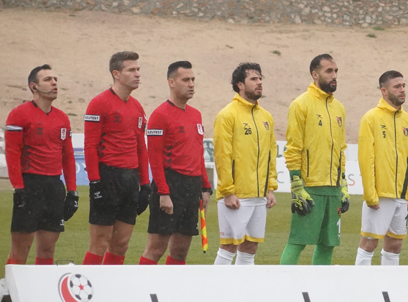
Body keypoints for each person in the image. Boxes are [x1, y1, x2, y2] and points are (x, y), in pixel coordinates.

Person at [4, 65, 78, 265]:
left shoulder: (62, 118)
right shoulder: (19, 114)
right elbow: (12, 153)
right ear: (33, 86)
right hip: (30, 185)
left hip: (54, 187)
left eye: (55, 79)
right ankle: (11, 294)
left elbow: (68, 156)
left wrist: (72, 191)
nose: (54, 83)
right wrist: (18, 187)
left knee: (47, 249)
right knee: (20, 250)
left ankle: (40, 294)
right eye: (48, 80)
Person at [139, 61, 211, 266]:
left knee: (181, 250)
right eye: (185, 80)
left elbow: (198, 154)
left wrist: (205, 187)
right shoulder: (159, 115)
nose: (191, 84)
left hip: (192, 185)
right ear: (171, 82)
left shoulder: (195, 114)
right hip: (170, 184)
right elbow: (154, 158)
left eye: (193, 80)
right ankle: (143, 289)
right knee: (156, 247)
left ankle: (170, 293)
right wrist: (163, 192)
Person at [82, 51, 150, 266]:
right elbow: (90, 145)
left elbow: (141, 148)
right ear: (116, 74)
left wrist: (145, 184)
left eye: (138, 69)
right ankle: (87, 293)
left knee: (121, 243)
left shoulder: (137, 107)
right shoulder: (99, 103)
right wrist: (95, 182)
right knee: (100, 242)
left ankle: (111, 292)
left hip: (130, 180)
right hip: (107, 176)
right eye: (131, 70)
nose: (137, 74)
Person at [280, 55, 349, 266]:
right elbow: (293, 148)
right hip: (310, 187)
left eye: (336, 71)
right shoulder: (300, 104)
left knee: (328, 244)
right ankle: (281, 289)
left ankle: (320, 291)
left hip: (334, 188)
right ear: (315, 74)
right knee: (298, 242)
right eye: (329, 71)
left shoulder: (339, 108)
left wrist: (343, 185)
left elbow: (341, 150)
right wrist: (297, 185)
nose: (334, 75)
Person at [212, 62, 277, 265]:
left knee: (250, 247)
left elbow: (270, 154)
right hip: (236, 194)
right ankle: (214, 292)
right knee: (229, 246)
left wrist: (269, 188)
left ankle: (243, 292)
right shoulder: (227, 115)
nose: (259, 83)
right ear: (240, 84)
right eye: (253, 79)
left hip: (259, 195)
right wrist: (228, 191)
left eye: (260, 79)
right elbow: (222, 155)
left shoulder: (266, 116)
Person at [355, 70, 408, 266]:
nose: (402, 90)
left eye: (403, 86)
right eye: (397, 87)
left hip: (401, 195)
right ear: (384, 91)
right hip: (380, 195)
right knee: (369, 243)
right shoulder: (371, 118)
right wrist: (370, 194)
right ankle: (360, 287)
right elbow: (365, 159)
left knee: (395, 246)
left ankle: (388, 286)